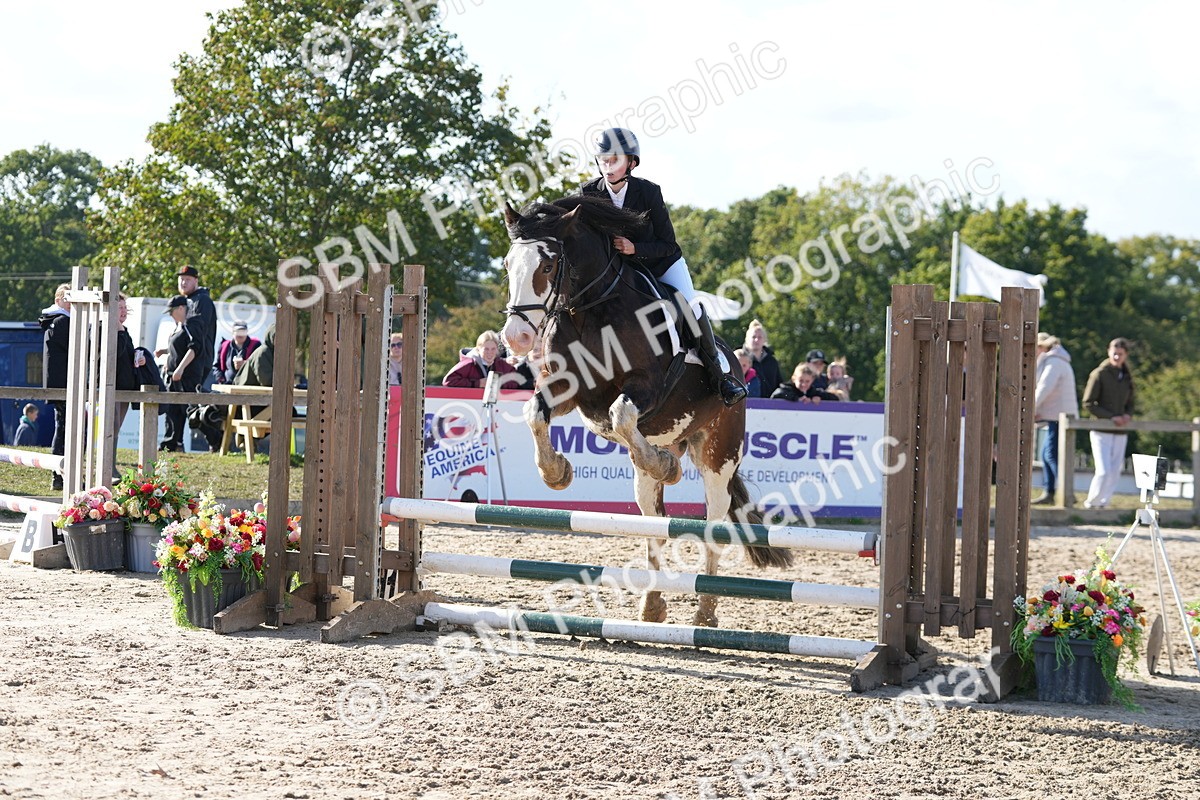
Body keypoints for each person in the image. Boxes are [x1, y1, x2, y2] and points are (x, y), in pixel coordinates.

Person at [581, 127, 746, 405]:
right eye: (603, 160)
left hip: (660, 264)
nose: (607, 167)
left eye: (614, 160)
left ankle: (720, 376)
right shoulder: (589, 192)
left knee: (690, 306)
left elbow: (669, 245)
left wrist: (635, 249)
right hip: (617, 271)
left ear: (631, 163)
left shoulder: (648, 192)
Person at [1081, 337, 1134, 509]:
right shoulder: (1099, 374)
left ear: (1125, 355)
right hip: (1101, 429)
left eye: (1120, 354)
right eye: (1114, 353)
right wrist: (1111, 417)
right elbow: (1088, 403)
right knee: (1103, 471)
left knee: (1115, 472)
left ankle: (1104, 503)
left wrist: (1127, 415)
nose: (1117, 357)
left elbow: (1131, 402)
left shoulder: (1126, 376)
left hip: (1120, 431)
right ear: (1108, 352)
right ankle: (1092, 503)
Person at [1033, 332, 1078, 504]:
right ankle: (1050, 491)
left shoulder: (1054, 362)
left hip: (1059, 417)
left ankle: (1065, 492)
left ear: (1042, 346)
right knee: (1047, 454)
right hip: (1056, 415)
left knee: (1051, 454)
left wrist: (1031, 409)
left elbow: (1044, 388)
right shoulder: (1057, 360)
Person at [156, 295, 206, 451]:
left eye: (172, 311)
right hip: (173, 375)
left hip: (187, 376)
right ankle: (172, 442)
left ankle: (215, 439)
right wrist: (165, 353)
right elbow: (179, 348)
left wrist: (180, 369)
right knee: (173, 410)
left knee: (191, 410)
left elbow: (194, 348)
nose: (170, 315)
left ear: (181, 308)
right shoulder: (180, 325)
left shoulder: (192, 324)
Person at [38, 283, 71, 489]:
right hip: (64, 384)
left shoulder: (55, 321)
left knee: (63, 429)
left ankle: (60, 476)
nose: (71, 302)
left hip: (59, 383)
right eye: (67, 298)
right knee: (65, 431)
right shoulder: (62, 322)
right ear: (58, 301)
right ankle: (59, 475)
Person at [176, 265, 217, 390]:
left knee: (189, 405)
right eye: (181, 279)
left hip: (197, 363)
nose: (183, 282)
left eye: (187, 279)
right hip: (188, 361)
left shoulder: (202, 301)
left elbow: (197, 338)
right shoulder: (188, 301)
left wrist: (182, 366)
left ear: (196, 281)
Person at [443, 331, 517, 389]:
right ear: (478, 348)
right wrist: (478, 383)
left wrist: (499, 383)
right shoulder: (469, 363)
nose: (490, 353)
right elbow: (448, 381)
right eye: (486, 349)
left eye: (493, 349)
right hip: (470, 403)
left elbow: (515, 381)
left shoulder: (500, 364)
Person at [743, 320, 782, 399]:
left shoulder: (772, 361)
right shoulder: (739, 359)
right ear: (747, 339)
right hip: (745, 404)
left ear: (764, 340)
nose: (756, 340)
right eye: (753, 337)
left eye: (759, 337)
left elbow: (779, 384)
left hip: (769, 405)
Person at [771, 363, 839, 404]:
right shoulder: (787, 388)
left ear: (812, 381)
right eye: (801, 380)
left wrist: (818, 398)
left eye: (807, 381)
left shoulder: (812, 391)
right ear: (794, 379)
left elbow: (835, 398)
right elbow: (778, 394)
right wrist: (796, 399)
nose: (803, 384)